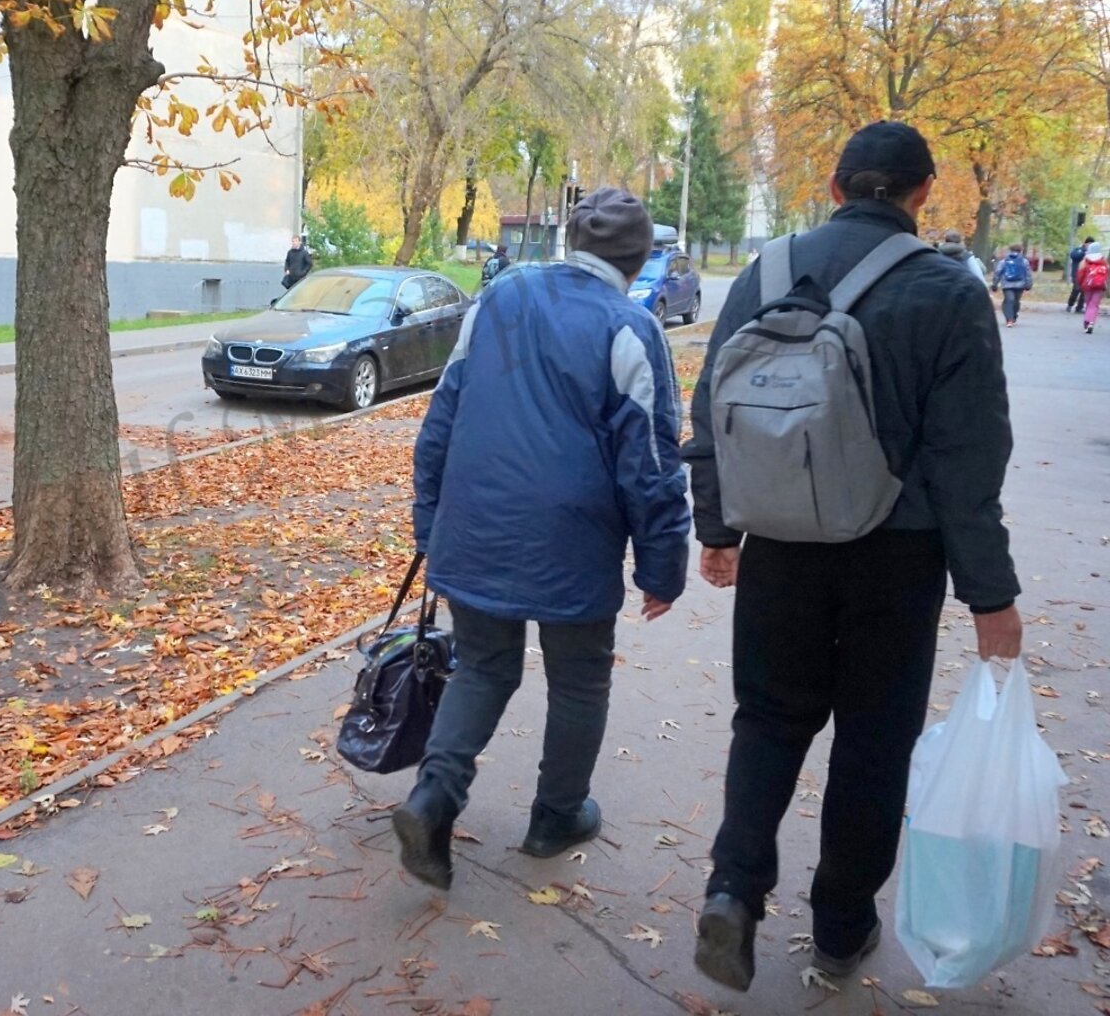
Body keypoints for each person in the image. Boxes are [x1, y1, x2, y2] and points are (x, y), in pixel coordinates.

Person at [684, 121, 1023, 991]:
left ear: (835, 188)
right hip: (897, 557)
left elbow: (712, 411)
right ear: (920, 195)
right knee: (874, 741)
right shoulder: (948, 292)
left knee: (766, 718)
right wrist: (991, 596)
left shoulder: (764, 273)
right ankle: (839, 929)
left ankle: (733, 889)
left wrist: (718, 530)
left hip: (782, 546)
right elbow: (968, 460)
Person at [391, 188, 689, 889]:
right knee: (579, 679)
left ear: (569, 241)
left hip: (475, 524)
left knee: (484, 666)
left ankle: (433, 797)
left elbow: (442, 415)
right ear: (639, 257)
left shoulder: (499, 301)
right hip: (571, 541)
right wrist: (661, 567)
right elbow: (650, 463)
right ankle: (556, 816)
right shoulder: (630, 327)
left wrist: (429, 520)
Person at [993, 243, 1033, 327]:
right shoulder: (1024, 261)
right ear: (1020, 251)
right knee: (1016, 301)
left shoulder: (1004, 261)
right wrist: (1028, 284)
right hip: (1020, 285)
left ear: (1010, 250)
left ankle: (1009, 319)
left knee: (1008, 300)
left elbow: (998, 272)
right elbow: (1028, 273)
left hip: (1007, 284)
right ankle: (1013, 316)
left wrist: (995, 284)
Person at [1080, 242, 1107, 334]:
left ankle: (1087, 322)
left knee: (1088, 303)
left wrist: (1080, 284)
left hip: (1088, 285)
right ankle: (1091, 322)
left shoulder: (1086, 259)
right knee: (1094, 305)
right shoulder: (1103, 260)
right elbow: (1107, 272)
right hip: (1099, 286)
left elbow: (1081, 273)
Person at [1067, 233, 1094, 314]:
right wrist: (1084, 252)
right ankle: (1070, 304)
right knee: (1076, 289)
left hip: (1087, 274)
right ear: (1086, 243)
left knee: (1084, 291)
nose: (1090, 246)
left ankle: (1079, 307)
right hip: (1077, 273)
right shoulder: (1079, 250)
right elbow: (1073, 256)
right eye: (1089, 244)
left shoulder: (1092, 253)